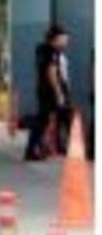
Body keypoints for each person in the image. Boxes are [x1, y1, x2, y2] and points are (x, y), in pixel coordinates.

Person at [25, 25, 73, 161]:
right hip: (52, 91)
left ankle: (34, 149)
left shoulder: (41, 49)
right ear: (56, 38)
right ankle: (69, 147)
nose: (66, 41)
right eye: (64, 38)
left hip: (44, 90)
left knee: (44, 120)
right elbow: (51, 73)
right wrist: (59, 93)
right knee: (63, 117)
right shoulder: (51, 51)